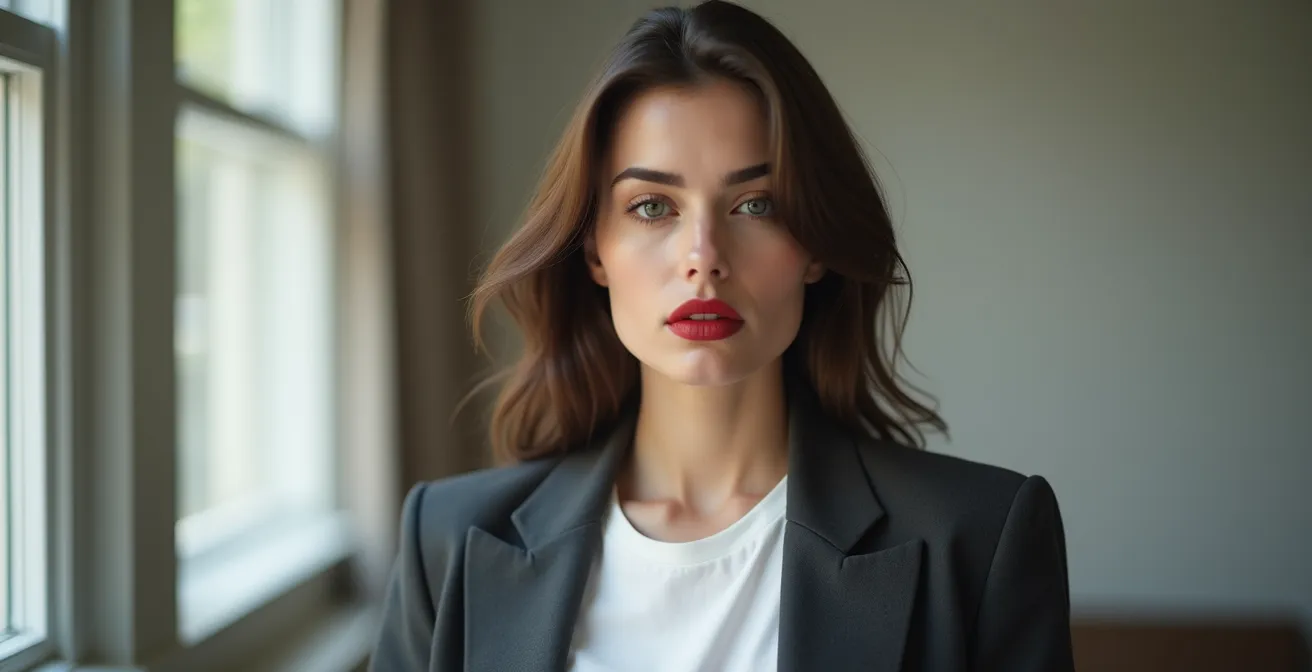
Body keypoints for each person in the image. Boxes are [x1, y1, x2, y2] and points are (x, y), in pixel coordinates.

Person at [370, 2, 1073, 670]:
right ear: (594, 251)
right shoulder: (449, 541)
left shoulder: (981, 539)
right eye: (652, 206)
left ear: (815, 244)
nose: (703, 254)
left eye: (756, 204)